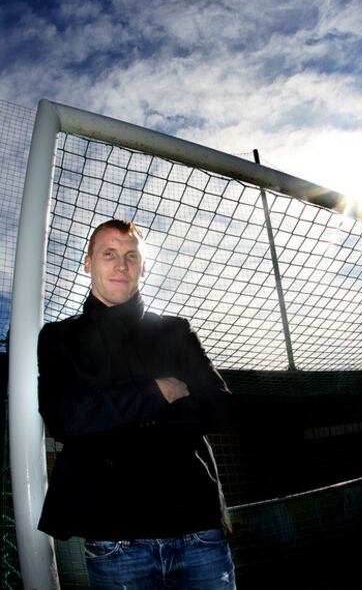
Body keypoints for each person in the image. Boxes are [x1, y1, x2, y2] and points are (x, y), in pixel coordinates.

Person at [37, 219, 237, 590]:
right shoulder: (59, 337)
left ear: (144, 267)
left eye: (132, 256)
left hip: (199, 532)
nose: (121, 264)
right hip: (116, 542)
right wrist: (156, 393)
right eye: (109, 254)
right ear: (87, 263)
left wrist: (110, 416)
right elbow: (65, 420)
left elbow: (221, 407)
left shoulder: (175, 331)